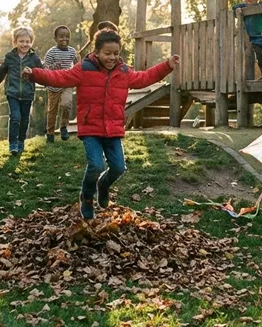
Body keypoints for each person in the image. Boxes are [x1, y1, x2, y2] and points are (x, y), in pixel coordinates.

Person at [26, 29, 179, 220]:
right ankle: (87, 197)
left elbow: (144, 78)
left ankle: (103, 185)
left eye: (116, 53)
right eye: (108, 53)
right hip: (91, 127)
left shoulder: (123, 72)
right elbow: (60, 77)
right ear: (96, 52)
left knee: (119, 168)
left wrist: (167, 66)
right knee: (96, 165)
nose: (112, 57)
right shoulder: (84, 69)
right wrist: (34, 74)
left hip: (113, 128)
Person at [0, 26, 44, 155]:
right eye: (21, 41)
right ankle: (12, 144)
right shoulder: (10, 56)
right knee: (15, 117)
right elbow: (1, 71)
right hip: (12, 92)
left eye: (27, 41)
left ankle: (21, 142)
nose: (24, 44)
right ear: (15, 42)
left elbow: (42, 72)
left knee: (25, 119)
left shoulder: (34, 58)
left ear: (31, 42)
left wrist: (35, 73)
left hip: (27, 93)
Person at [43, 25, 79, 143]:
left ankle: (63, 127)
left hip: (67, 84)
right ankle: (50, 133)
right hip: (53, 85)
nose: (64, 39)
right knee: (52, 110)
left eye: (67, 37)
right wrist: (53, 67)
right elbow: (45, 69)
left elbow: (78, 65)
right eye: (61, 37)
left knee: (66, 105)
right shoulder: (51, 53)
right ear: (55, 38)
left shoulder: (72, 51)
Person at [232, 0, 262, 81]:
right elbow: (233, 7)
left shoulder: (260, 7)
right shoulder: (244, 7)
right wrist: (237, 9)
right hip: (254, 38)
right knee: (259, 56)